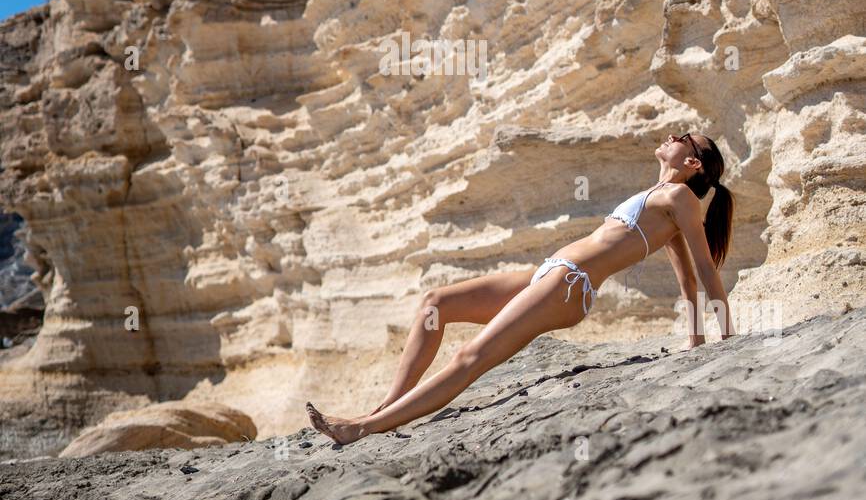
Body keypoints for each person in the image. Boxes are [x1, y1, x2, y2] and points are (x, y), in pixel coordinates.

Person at [306, 131, 735, 445]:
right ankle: (385, 410)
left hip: (571, 285)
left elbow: (704, 271)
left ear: (693, 163)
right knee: (435, 304)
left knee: (469, 355)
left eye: (685, 137)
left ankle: (359, 429)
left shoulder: (681, 199)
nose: (673, 134)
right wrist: (695, 343)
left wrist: (726, 339)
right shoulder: (662, 196)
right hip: (549, 272)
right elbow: (685, 281)